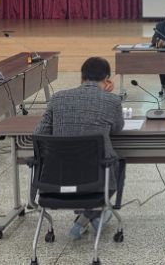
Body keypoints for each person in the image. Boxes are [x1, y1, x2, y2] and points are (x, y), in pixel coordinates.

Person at [35, 56, 125, 240]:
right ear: (107, 79)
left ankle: (86, 218)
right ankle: (91, 216)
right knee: (118, 164)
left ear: (81, 77)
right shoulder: (112, 101)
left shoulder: (57, 98)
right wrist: (107, 96)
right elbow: (117, 128)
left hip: (57, 177)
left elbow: (40, 134)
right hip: (97, 178)